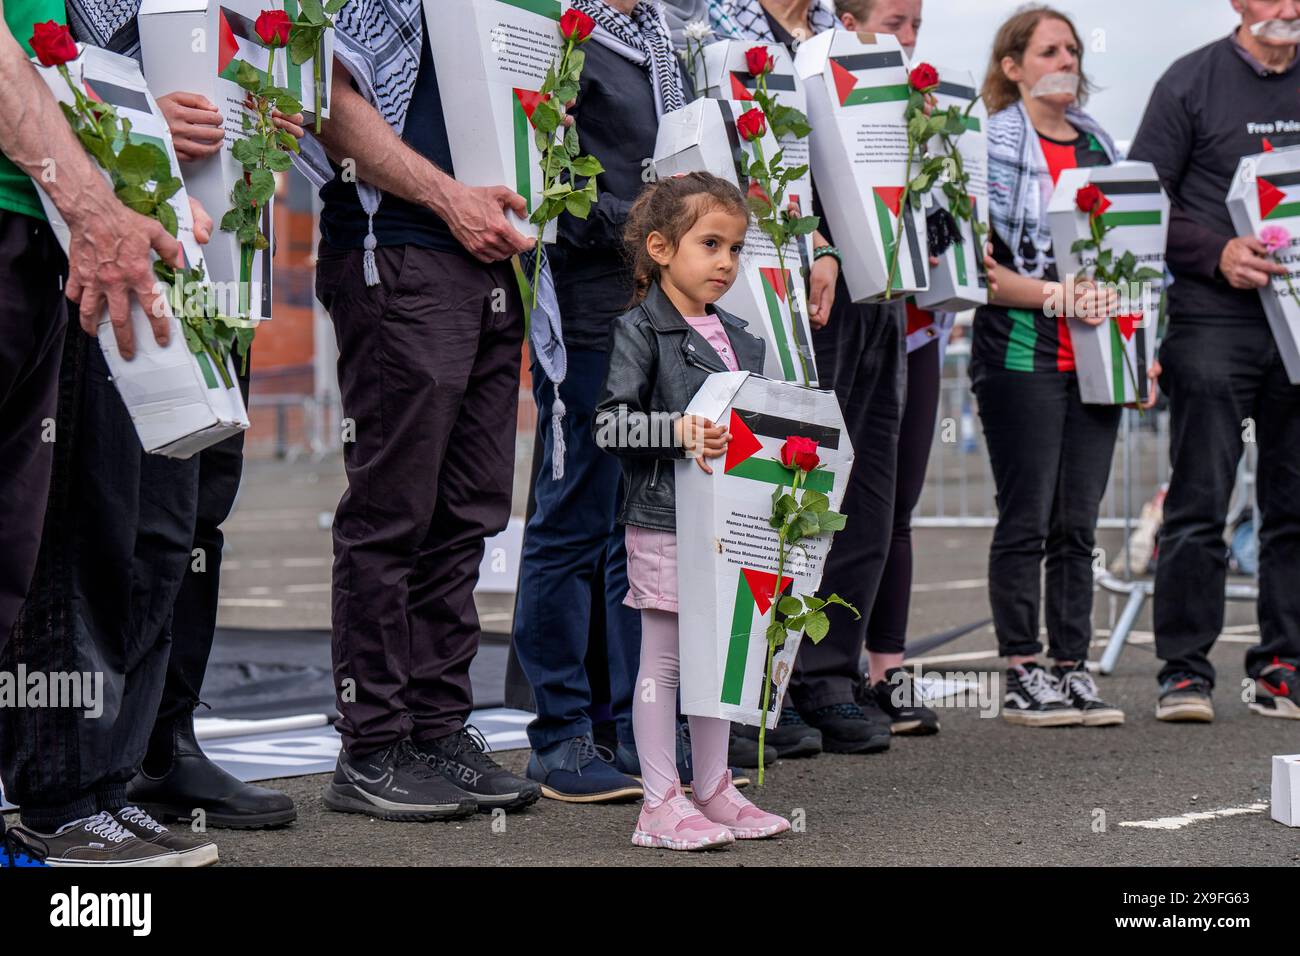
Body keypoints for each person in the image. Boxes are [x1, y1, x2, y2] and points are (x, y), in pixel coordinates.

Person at [55, 0, 303, 830]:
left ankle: (162, 744)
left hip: (219, 273)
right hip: (89, 272)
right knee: (100, 522)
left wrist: (266, 120)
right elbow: (36, 88)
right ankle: (82, 772)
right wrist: (137, 128)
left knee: (190, 519)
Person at [311, 0, 542, 820]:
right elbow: (329, 103)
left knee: (467, 513)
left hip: (490, 267)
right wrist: (450, 200)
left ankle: (438, 729)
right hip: (401, 254)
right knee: (392, 514)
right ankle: (372, 746)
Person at [0, 8, 217, 866]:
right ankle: (64, 794)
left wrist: (143, 184)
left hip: (63, 226)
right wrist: (94, 202)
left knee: (119, 534)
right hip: (46, 218)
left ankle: (91, 791)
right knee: (62, 536)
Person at [595, 171, 790, 850]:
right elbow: (609, 426)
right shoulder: (639, 330)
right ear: (659, 247)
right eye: (711, 244)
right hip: (663, 520)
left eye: (735, 248)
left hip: (727, 526)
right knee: (666, 660)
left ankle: (714, 788)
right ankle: (658, 802)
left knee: (719, 659)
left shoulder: (742, 336)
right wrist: (675, 430)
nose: (727, 263)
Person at [975, 5, 1156, 727]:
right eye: (1050, 50)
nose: (1068, 61)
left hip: (1099, 356)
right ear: (1012, 66)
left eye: (1074, 50)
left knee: (1077, 523)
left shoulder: (1101, 147)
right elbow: (980, 271)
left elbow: (1138, 261)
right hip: (1021, 353)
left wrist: (1145, 353)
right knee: (1027, 516)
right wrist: (1058, 295)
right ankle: (1023, 670)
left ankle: (1072, 668)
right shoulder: (988, 145)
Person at [1129, 0, 1300, 722]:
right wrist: (1215, 251)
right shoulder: (1189, 81)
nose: (1288, 8)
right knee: (1200, 495)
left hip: (1297, 317)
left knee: (1293, 503)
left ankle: (1282, 665)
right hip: (1212, 317)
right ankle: (1184, 671)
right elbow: (1139, 197)